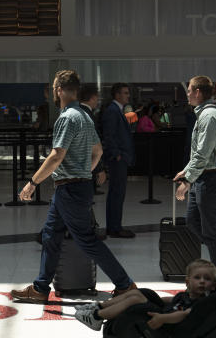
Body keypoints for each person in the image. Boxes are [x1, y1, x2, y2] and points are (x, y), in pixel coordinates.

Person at [11, 70, 136, 303]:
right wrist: (83, 170)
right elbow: (97, 151)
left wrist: (32, 183)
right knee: (50, 235)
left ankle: (125, 284)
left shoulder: (67, 117)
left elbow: (56, 156)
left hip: (70, 189)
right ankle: (40, 288)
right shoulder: (84, 116)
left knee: (86, 239)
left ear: (58, 90)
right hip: (71, 188)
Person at [175, 75, 216, 279]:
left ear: (197, 92)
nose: (187, 94)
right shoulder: (204, 114)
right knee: (193, 223)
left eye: (189, 90)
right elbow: (198, 152)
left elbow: (203, 154)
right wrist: (186, 171)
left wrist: (186, 181)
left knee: (211, 231)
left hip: (212, 179)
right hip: (203, 178)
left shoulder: (209, 117)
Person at [74, 259, 216, 331]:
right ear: (187, 281)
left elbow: (183, 315)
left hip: (165, 323)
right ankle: (98, 306)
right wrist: (153, 300)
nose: (202, 282)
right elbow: (172, 300)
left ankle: (97, 317)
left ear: (213, 285)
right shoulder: (186, 295)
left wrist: (162, 317)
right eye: (197, 278)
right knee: (140, 292)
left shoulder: (200, 303)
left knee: (136, 299)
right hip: (163, 314)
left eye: (207, 279)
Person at [101, 82, 136, 238]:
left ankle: (114, 226)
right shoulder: (112, 111)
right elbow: (109, 135)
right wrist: (116, 154)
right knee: (117, 192)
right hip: (117, 158)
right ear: (117, 95)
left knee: (118, 192)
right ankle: (114, 227)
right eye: (125, 93)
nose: (128, 95)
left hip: (121, 157)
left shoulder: (119, 111)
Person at [79, 84, 108, 240]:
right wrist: (100, 168)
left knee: (80, 199)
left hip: (78, 165)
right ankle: (88, 230)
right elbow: (94, 146)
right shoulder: (87, 115)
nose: (98, 100)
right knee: (85, 198)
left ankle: (89, 228)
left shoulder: (76, 112)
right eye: (97, 97)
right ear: (92, 97)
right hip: (86, 166)